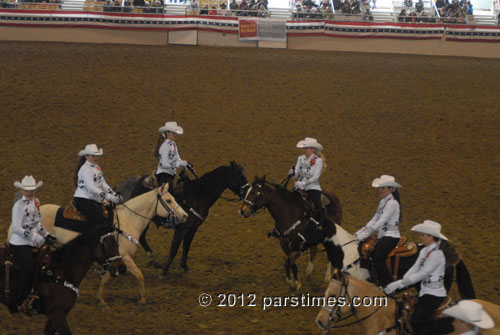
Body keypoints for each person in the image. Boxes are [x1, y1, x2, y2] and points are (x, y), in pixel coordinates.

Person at [384, 220, 453, 335]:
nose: (420, 237)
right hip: (425, 292)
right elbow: (414, 268)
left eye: (422, 235)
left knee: (416, 322)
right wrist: (403, 280)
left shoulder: (437, 254)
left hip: (434, 294)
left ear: (431, 237)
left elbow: (422, 273)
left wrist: (397, 285)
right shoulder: (425, 251)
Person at [9, 176, 56, 312]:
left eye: (32, 190)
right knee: (28, 267)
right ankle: (18, 300)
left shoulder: (36, 202)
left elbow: (37, 223)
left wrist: (47, 235)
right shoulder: (18, 206)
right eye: (27, 190)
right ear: (22, 190)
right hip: (19, 244)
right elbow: (17, 228)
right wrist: (35, 237)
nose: (30, 193)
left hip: (32, 242)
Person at [354, 175, 402, 286]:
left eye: (383, 188)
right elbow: (374, 219)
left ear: (391, 189)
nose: (379, 190)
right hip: (383, 235)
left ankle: (388, 284)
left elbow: (381, 221)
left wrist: (366, 234)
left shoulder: (393, 204)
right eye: (379, 188)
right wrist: (361, 231)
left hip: (391, 236)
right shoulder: (383, 202)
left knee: (377, 258)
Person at [73, 144, 122, 228]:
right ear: (86, 156)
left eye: (97, 156)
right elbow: (91, 188)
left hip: (92, 199)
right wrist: (109, 197)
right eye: (93, 156)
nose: (96, 158)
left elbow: (102, 183)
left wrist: (113, 194)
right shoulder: (85, 169)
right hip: (85, 199)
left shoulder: (97, 167)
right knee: (98, 221)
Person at [289, 137, 328, 228]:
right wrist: (292, 173)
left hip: (312, 187)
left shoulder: (318, 161)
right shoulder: (300, 159)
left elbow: (315, 177)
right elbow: (296, 174)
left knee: (317, 205)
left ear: (312, 149)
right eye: (304, 148)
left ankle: (321, 223)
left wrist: (303, 183)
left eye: (306, 148)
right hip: (299, 186)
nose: (304, 150)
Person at [155, 121, 192, 189]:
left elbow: (177, 158)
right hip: (164, 175)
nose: (175, 135)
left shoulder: (173, 145)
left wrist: (185, 164)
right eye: (174, 133)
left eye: (176, 133)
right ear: (167, 133)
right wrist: (177, 164)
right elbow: (164, 164)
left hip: (172, 174)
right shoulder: (165, 146)